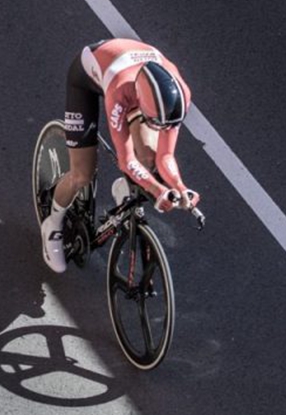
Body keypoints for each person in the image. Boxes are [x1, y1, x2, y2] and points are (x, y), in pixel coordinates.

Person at [41, 38, 200, 273]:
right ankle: (52, 224)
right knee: (82, 174)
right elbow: (126, 160)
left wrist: (179, 186)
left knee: (149, 155)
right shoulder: (120, 89)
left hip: (138, 81)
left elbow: (165, 156)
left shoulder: (180, 96)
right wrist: (158, 191)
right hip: (90, 76)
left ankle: (124, 190)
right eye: (154, 122)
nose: (159, 127)